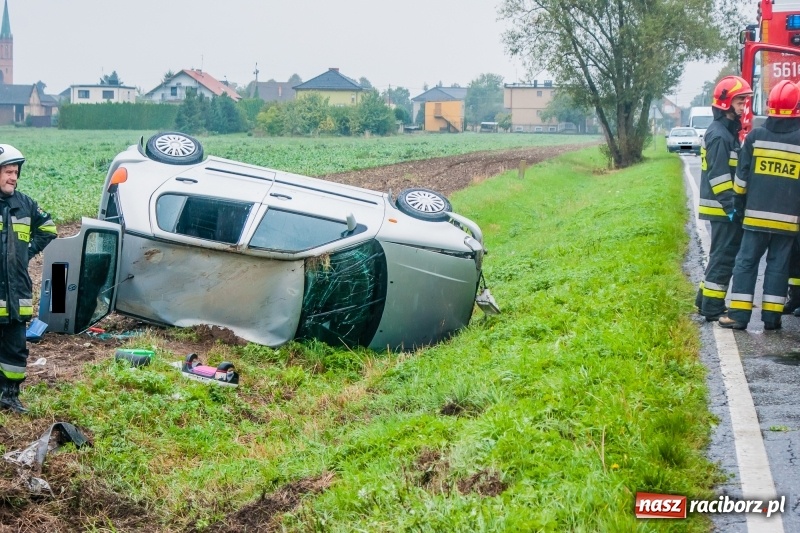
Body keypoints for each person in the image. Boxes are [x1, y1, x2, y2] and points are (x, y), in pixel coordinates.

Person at [719, 80, 800, 330]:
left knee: (746, 264)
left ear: (770, 106)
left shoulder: (755, 137)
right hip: (788, 222)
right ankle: (771, 319)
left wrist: (738, 207)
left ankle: (739, 317)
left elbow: (741, 179)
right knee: (778, 268)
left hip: (754, 219)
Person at [0, 144, 57, 413]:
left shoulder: (25, 204)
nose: (14, 177)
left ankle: (9, 396)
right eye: (8, 172)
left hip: (17, 292)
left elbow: (48, 228)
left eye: (16, 172)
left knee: (15, 348)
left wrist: (26, 253)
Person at [695, 76, 754, 321]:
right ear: (726, 103)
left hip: (721, 207)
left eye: (744, 101)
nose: (743, 106)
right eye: (740, 101)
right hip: (722, 208)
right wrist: (731, 206)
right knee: (724, 256)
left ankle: (704, 300)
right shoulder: (719, 136)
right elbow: (719, 177)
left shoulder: (725, 131)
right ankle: (712, 308)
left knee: (719, 254)